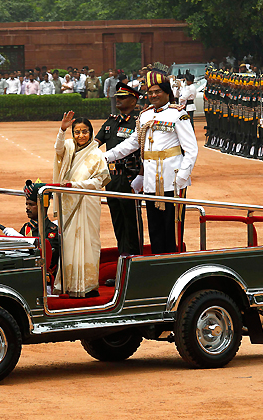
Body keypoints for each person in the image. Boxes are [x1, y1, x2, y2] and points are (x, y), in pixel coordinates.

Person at [104, 66, 199, 254]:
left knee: (171, 229)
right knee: (154, 228)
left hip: (172, 179)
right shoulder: (145, 115)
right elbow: (132, 143)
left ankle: (172, 265)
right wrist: (106, 156)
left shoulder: (177, 114)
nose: (153, 95)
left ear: (167, 93)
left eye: (158, 92)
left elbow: (191, 149)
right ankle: (158, 265)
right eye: (150, 92)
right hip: (150, 181)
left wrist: (183, 176)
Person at [53, 111, 111, 297]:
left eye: (84, 131)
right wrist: (62, 130)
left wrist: (76, 185)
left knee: (89, 241)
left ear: (91, 132)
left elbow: (100, 180)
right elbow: (58, 150)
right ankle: (68, 285)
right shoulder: (68, 146)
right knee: (69, 243)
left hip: (86, 202)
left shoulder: (96, 154)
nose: (80, 135)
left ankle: (88, 285)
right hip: (68, 203)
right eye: (76, 132)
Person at [95, 82, 142, 263]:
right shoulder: (111, 121)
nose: (118, 101)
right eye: (117, 98)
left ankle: (136, 264)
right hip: (112, 178)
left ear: (134, 100)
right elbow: (96, 143)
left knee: (132, 223)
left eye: (123, 98)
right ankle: (123, 263)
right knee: (118, 222)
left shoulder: (138, 122)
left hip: (130, 178)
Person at [3, 180, 61, 276]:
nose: (27, 208)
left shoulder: (53, 231)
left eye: (31, 204)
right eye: (27, 204)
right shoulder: (26, 228)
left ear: (43, 206)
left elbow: (49, 261)